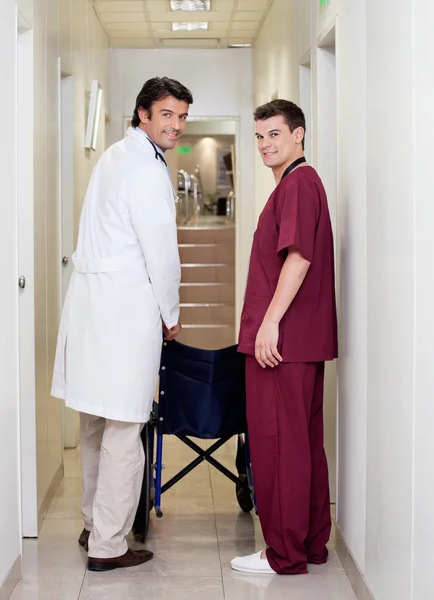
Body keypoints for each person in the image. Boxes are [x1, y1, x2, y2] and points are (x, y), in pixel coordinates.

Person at [51, 77, 193, 572]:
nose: (175, 125)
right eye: (167, 115)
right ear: (143, 115)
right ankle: (108, 546)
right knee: (125, 428)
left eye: (182, 116)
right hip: (122, 312)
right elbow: (163, 254)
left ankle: (93, 523)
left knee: (94, 422)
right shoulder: (147, 170)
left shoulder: (113, 156)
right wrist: (171, 315)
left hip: (93, 309)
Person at [231, 100, 338, 576]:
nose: (265, 144)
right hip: (302, 344)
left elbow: (298, 259)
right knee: (304, 444)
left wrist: (269, 322)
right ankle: (312, 544)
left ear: (298, 135)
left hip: (280, 345)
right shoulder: (304, 184)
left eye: (274, 134)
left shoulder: (296, 184)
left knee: (279, 447)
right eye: (259, 136)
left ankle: (284, 554)